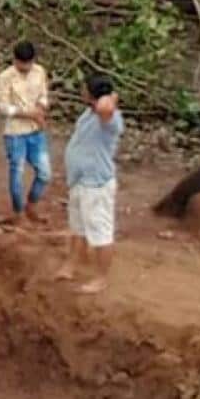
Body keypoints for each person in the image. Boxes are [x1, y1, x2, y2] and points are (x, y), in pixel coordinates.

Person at [57, 75, 123, 295]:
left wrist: (110, 97)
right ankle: (71, 264)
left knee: (100, 232)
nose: (81, 91)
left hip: (96, 184)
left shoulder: (110, 119)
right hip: (80, 181)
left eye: (85, 89)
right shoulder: (89, 113)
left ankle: (101, 278)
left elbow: (106, 107)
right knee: (77, 226)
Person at [0, 41, 51, 223]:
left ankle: (31, 204)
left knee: (44, 173)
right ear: (15, 60)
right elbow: (3, 106)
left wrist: (40, 109)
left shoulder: (39, 71)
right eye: (21, 63)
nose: (25, 67)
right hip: (15, 132)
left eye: (28, 63)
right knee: (17, 172)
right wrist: (28, 114)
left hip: (36, 130)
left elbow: (43, 95)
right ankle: (18, 211)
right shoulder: (5, 77)